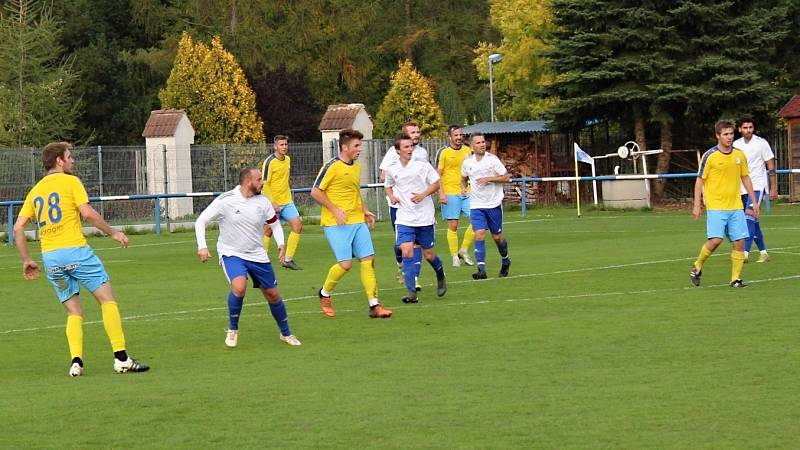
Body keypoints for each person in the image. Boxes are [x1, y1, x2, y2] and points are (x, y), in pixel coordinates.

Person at [13, 142, 149, 377]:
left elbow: (17, 228)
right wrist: (114, 232)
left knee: (74, 312)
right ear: (59, 161)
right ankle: (121, 359)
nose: (72, 160)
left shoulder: (35, 191)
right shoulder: (71, 182)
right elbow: (86, 213)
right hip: (76, 251)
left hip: (51, 259)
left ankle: (76, 362)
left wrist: (26, 259)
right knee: (108, 300)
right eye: (69, 156)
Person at [195, 167, 302, 348]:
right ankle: (233, 329)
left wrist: (281, 243)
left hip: (257, 254)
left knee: (273, 295)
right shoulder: (226, 200)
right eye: (259, 179)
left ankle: (286, 333)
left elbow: (274, 225)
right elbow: (201, 221)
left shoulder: (263, 202)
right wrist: (202, 246)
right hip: (231, 253)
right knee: (239, 287)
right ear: (247, 182)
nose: (263, 183)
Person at [311, 129, 392, 319]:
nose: (359, 149)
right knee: (345, 265)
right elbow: (315, 192)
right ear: (344, 147)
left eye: (360, 145)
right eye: (356, 146)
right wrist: (335, 209)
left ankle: (374, 305)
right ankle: (324, 293)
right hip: (335, 223)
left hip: (357, 221)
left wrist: (364, 210)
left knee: (368, 260)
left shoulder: (356, 167)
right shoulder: (331, 166)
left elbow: (354, 192)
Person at [691, 120, 759, 288]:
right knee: (715, 241)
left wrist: (754, 201)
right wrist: (697, 204)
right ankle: (698, 265)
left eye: (731, 134)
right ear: (717, 136)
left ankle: (735, 279)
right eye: (725, 134)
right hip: (716, 206)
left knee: (739, 242)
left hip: (736, 206)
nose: (729, 137)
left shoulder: (739, 155)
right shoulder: (710, 156)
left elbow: (745, 177)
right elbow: (700, 180)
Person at [384, 132, 447, 303]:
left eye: (411, 146)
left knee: (428, 254)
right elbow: (388, 186)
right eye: (406, 146)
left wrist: (423, 194)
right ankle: (411, 292)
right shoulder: (392, 168)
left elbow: (436, 183)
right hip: (404, 217)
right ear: (397, 150)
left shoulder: (422, 165)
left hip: (424, 217)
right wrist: (392, 196)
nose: (410, 149)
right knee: (406, 250)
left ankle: (440, 274)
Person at [378, 122, 429, 285]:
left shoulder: (422, 153)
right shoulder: (393, 153)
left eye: (417, 132)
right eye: (412, 132)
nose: (416, 135)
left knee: (416, 244)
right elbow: (383, 177)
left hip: (418, 205)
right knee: (402, 245)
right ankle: (401, 264)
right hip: (399, 206)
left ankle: (415, 278)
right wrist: (395, 189)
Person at [460, 133, 512, 279]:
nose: (482, 144)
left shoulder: (492, 160)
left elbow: (506, 177)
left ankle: (506, 260)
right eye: (478, 142)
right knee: (480, 234)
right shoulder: (467, 163)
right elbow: (463, 178)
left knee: (497, 237)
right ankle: (481, 269)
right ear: (472, 146)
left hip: (494, 204)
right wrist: (463, 187)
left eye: (483, 142)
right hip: (476, 205)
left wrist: (490, 178)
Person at [734, 116, 778, 263]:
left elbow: (770, 166)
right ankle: (764, 253)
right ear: (740, 129)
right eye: (745, 128)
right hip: (741, 188)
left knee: (749, 218)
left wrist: (773, 188)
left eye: (750, 127)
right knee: (754, 221)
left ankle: (744, 253)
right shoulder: (735, 145)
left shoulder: (761, 143)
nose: (748, 130)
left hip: (758, 186)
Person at [260, 135, 303, 270]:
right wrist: (272, 202)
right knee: (268, 231)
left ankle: (287, 259)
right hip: (272, 203)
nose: (284, 147)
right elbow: (264, 183)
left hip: (287, 201)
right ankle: (261, 260)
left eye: (285, 144)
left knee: (297, 226)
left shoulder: (288, 160)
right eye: (281, 145)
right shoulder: (269, 162)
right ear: (275, 146)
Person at [435, 125, 475, 267]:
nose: (459, 137)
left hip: (467, 191)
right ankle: (454, 256)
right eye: (456, 135)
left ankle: (463, 250)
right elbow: (437, 174)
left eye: (460, 135)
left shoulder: (468, 151)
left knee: (477, 221)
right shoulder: (444, 152)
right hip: (450, 192)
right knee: (453, 225)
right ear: (450, 137)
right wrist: (441, 192)